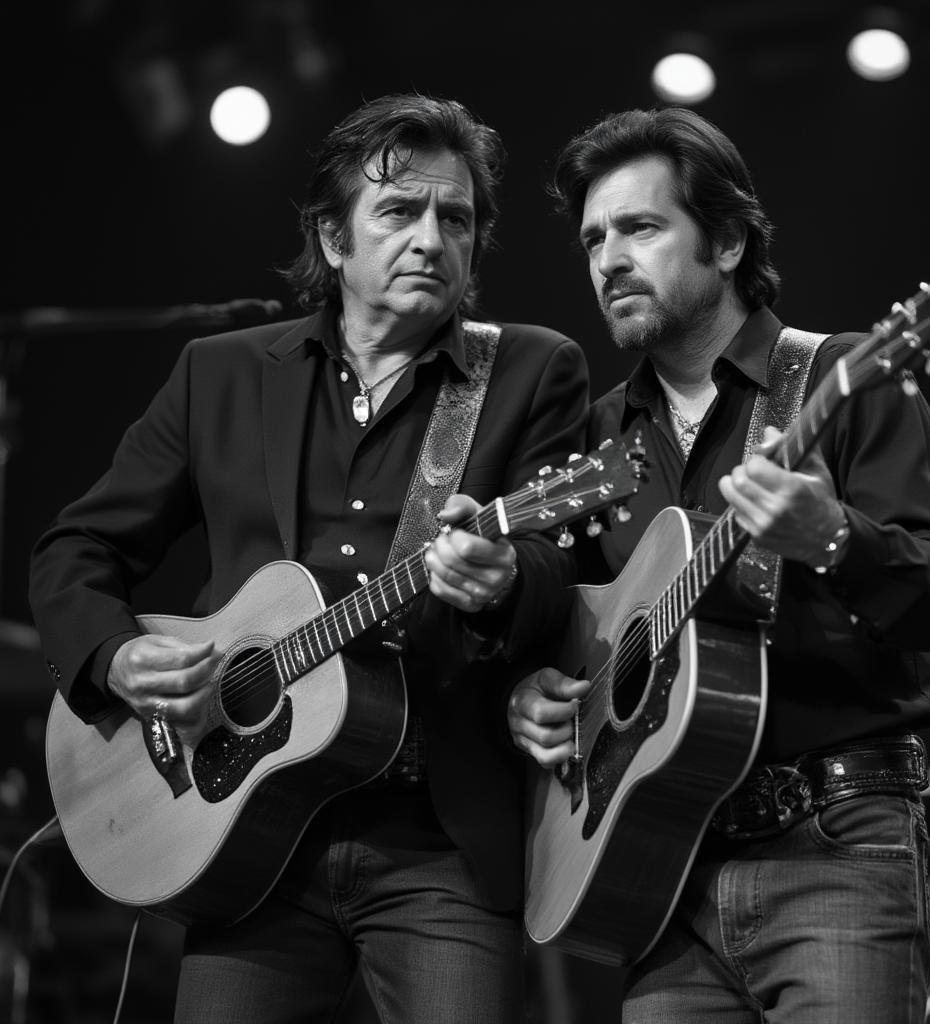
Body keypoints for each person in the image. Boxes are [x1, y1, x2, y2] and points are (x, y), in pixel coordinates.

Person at [29, 93, 590, 1023]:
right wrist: (118, 657)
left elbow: (560, 577)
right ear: (333, 239)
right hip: (245, 838)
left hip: (437, 840)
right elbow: (76, 548)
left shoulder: (534, 369)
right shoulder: (222, 373)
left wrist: (503, 584)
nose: (431, 238)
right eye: (399, 212)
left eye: (456, 218)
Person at [508, 105, 930, 1023]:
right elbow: (574, 622)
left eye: (640, 228)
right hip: (657, 873)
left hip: (834, 846)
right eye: (594, 238)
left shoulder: (846, 381)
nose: (608, 260)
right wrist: (536, 693)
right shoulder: (597, 441)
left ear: (726, 242)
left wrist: (832, 539)